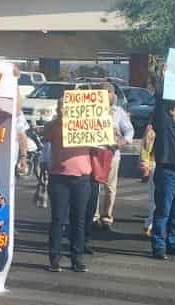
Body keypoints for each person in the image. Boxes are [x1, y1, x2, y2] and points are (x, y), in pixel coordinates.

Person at [44, 94, 93, 272]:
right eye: (61, 106)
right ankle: (54, 258)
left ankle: (76, 258)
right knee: (58, 219)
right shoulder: (55, 125)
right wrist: (59, 119)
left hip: (81, 178)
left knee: (78, 220)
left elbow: (102, 136)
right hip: (59, 177)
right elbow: (45, 133)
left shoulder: (86, 124)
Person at [148, 98, 175, 260]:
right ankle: (159, 246)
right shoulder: (164, 124)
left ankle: (172, 243)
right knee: (163, 211)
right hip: (168, 173)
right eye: (173, 106)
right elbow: (159, 105)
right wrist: (163, 81)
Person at [93, 81, 135, 231]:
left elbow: (130, 131)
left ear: (112, 95)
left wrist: (122, 141)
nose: (104, 96)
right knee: (94, 186)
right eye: (101, 93)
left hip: (112, 153)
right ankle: (93, 216)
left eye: (107, 93)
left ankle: (107, 217)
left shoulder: (118, 112)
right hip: (95, 152)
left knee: (110, 187)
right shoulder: (91, 110)